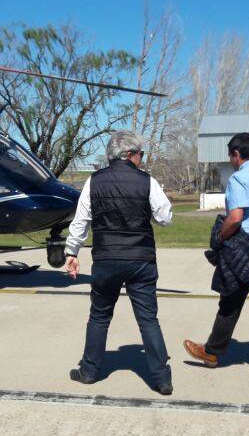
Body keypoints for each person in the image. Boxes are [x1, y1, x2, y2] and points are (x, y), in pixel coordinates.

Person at [64, 130, 174, 395]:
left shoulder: (94, 181)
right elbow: (165, 217)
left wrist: (72, 252)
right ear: (129, 154)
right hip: (141, 259)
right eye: (140, 154)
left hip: (106, 259)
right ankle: (162, 379)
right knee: (148, 319)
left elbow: (81, 221)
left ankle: (89, 371)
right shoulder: (147, 181)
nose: (141, 158)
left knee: (99, 316)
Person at [183, 133, 249, 383]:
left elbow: (235, 218)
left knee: (230, 300)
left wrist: (220, 239)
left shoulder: (239, 178)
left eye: (231, 156)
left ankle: (211, 352)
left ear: (236, 154)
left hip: (245, 248)